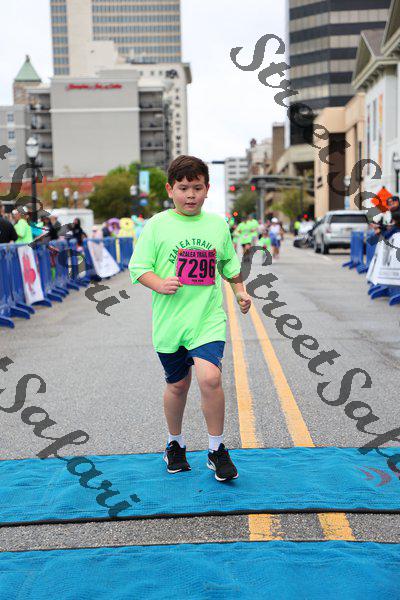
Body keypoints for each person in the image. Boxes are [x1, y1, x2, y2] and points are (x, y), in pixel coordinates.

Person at [129, 155, 251, 482]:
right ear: (170, 190)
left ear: (208, 189)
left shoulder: (217, 225)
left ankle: (216, 449)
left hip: (207, 319)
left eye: (197, 187)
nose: (190, 195)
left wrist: (240, 292)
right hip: (170, 323)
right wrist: (159, 283)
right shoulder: (157, 225)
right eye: (183, 188)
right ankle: (175, 443)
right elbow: (138, 268)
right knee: (178, 385)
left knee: (210, 379)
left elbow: (228, 265)